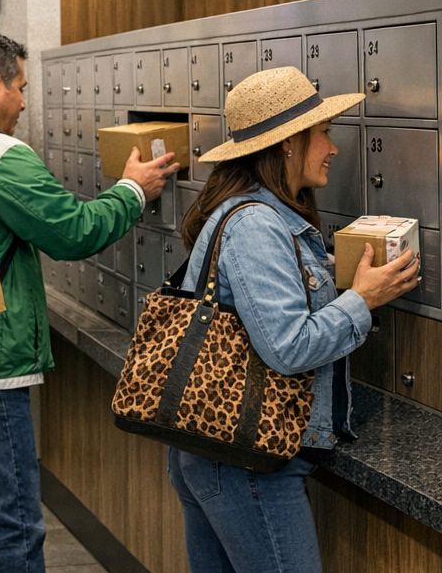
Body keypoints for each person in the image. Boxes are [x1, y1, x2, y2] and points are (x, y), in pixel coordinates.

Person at [0, 29, 178, 573]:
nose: (25, 102)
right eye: (21, 87)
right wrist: (133, 189)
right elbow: (72, 232)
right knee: (11, 520)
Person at [169, 67, 417, 573]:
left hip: (216, 446)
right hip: (246, 459)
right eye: (322, 133)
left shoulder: (252, 213)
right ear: (287, 144)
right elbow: (287, 347)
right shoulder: (257, 224)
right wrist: (360, 302)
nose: (333, 148)